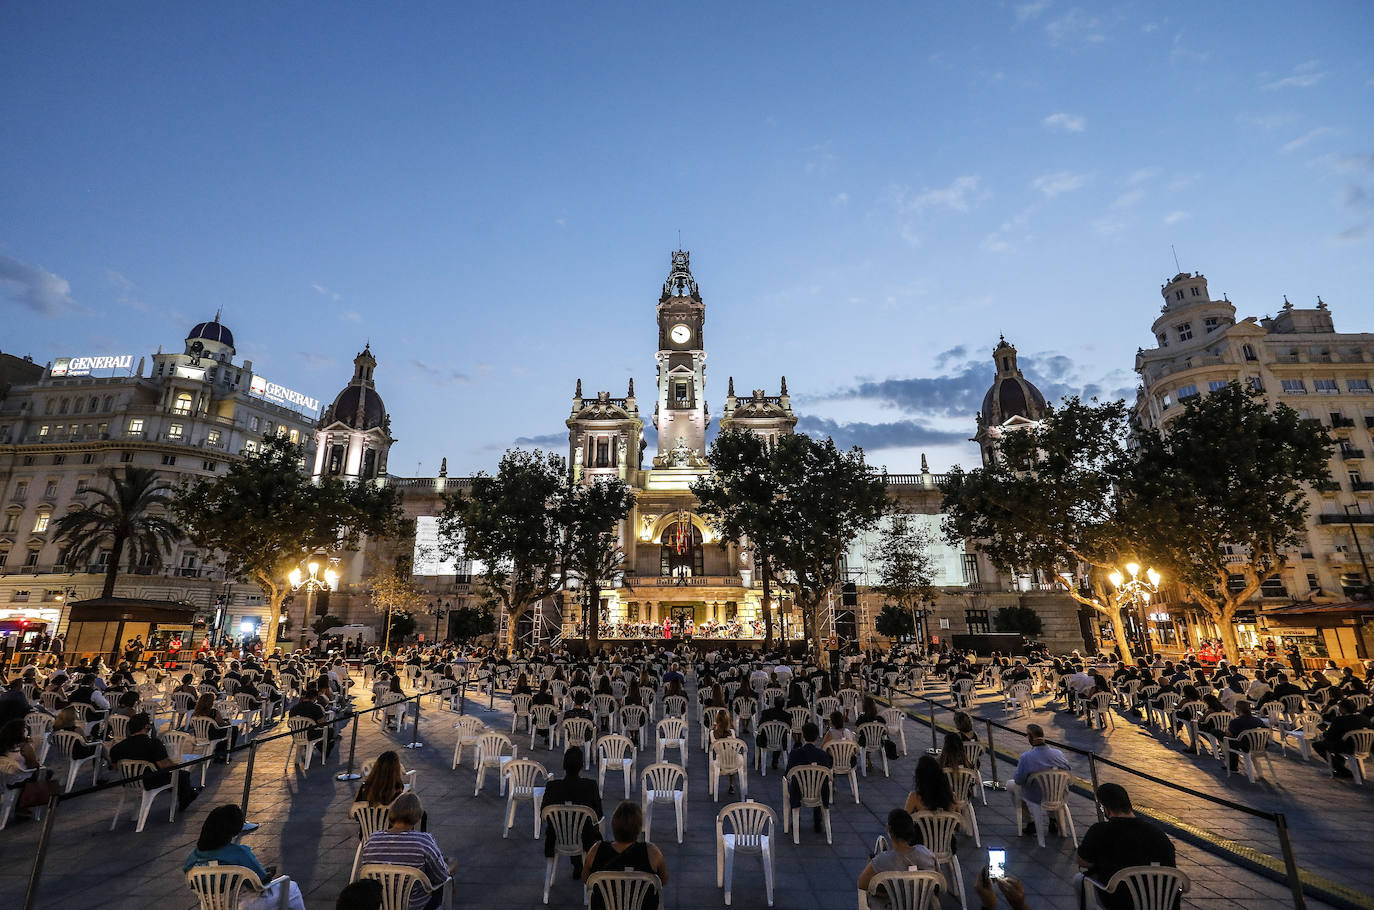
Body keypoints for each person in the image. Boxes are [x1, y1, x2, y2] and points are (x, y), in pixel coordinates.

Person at [185, 804, 306, 909]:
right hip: (243, 904)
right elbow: (262, 882)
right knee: (292, 888)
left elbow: (192, 884)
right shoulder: (240, 853)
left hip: (212, 905)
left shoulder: (194, 857)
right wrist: (268, 874)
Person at [1076, 783, 1175, 910]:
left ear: (1106, 809)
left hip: (1120, 901)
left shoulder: (1099, 830)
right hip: (1159, 902)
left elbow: (1082, 861)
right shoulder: (1158, 833)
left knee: (1079, 879)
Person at [358, 792, 453, 910]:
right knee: (445, 881)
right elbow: (441, 876)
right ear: (418, 817)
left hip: (379, 904)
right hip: (414, 907)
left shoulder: (372, 840)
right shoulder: (423, 841)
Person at [581, 801, 668, 910]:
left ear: (613, 825)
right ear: (638, 828)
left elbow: (586, 879)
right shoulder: (652, 852)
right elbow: (663, 881)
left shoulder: (596, 849)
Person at [108, 712, 200, 811]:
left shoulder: (117, 748)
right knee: (182, 775)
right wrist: (177, 764)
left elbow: (115, 768)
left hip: (129, 782)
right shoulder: (153, 743)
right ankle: (187, 797)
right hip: (150, 781)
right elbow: (164, 766)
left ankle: (191, 793)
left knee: (175, 776)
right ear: (146, 726)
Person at [542, 746, 603, 877]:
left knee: (571, 824)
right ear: (581, 766)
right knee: (588, 825)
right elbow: (598, 814)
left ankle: (577, 865)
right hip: (585, 839)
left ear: (563, 766)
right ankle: (588, 865)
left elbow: (544, 813)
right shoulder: (590, 785)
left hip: (557, 837)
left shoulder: (552, 787)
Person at [857, 809, 936, 907]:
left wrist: (886, 894)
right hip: (922, 905)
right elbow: (939, 882)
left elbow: (862, 884)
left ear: (889, 829)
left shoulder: (882, 860)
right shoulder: (926, 853)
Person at [1010, 724, 1071, 837]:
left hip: (1037, 797)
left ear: (1029, 737)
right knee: (1052, 786)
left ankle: (1030, 821)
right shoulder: (1058, 754)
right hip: (1059, 795)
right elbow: (1068, 772)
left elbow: (1018, 780)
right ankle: (1053, 819)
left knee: (1011, 786)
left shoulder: (1027, 757)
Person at [786, 721, 833, 833]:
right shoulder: (823, 755)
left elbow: (788, 774)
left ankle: (795, 819)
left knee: (796, 783)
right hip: (819, 792)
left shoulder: (795, 753)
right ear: (817, 737)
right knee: (818, 781)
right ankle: (818, 820)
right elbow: (828, 773)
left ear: (802, 735)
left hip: (799, 792)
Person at [1313, 698, 1372, 778]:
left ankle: (1343, 771)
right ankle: (1341, 768)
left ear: (1343, 709)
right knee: (1337, 743)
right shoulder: (1364, 718)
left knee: (1318, 745)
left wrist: (1324, 733)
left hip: (1348, 747)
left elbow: (1330, 736)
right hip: (1366, 746)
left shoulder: (1339, 720)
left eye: (1340, 708)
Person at [1224, 701, 1268, 773]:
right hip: (1261, 746)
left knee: (1227, 739)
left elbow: (1229, 735)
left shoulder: (1235, 721)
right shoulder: (1258, 720)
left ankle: (1233, 766)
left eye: (1235, 708)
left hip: (1245, 746)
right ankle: (1232, 766)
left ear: (1238, 709)